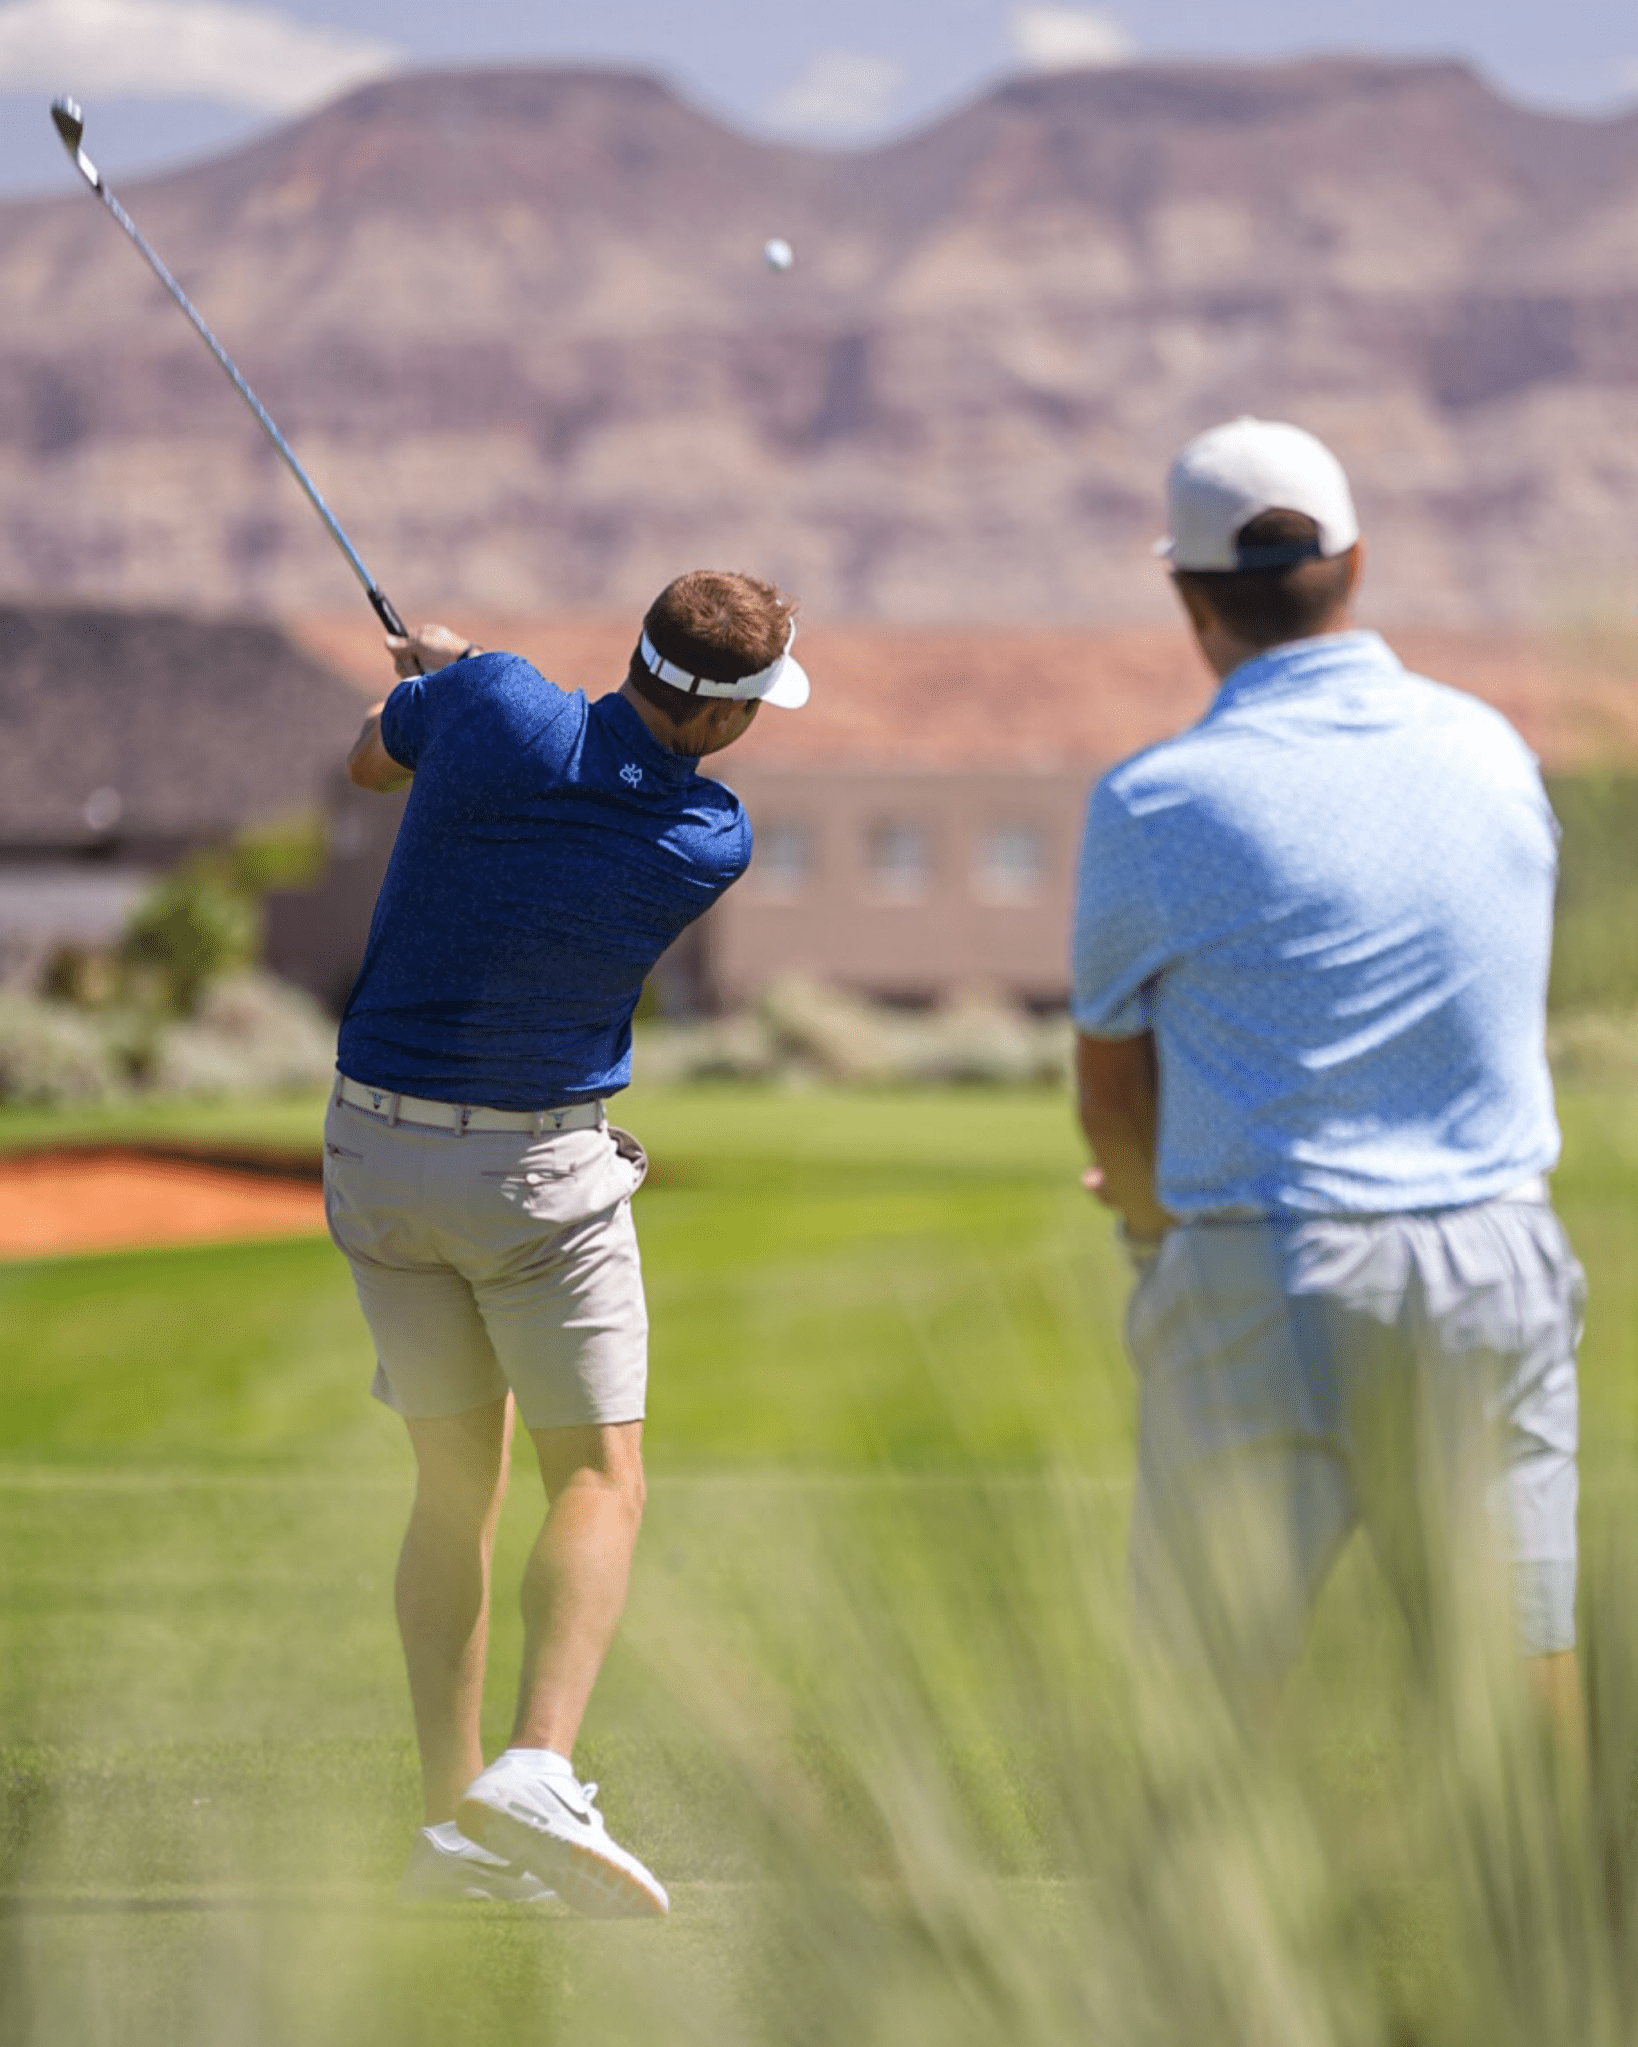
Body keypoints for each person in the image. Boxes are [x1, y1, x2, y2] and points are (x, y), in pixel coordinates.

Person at [1070, 417, 1585, 1740]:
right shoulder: (1491, 750)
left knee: (1211, 1694)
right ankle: (1559, 1945)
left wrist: (1146, 1225)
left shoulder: (1154, 800)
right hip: (1492, 1254)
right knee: (1519, 1660)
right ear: (1353, 565)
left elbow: (1112, 1104)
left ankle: (1200, 1956)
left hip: (1264, 1267)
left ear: (1187, 594)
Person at [325, 570, 810, 1914]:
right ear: (726, 718)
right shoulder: (710, 833)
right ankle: (536, 1763)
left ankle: (447, 1824)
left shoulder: (488, 702)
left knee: (451, 1489)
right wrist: (462, 681)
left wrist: (436, 678)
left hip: (373, 1147)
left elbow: (372, 760)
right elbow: (582, 777)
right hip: (535, 1173)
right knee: (598, 1478)